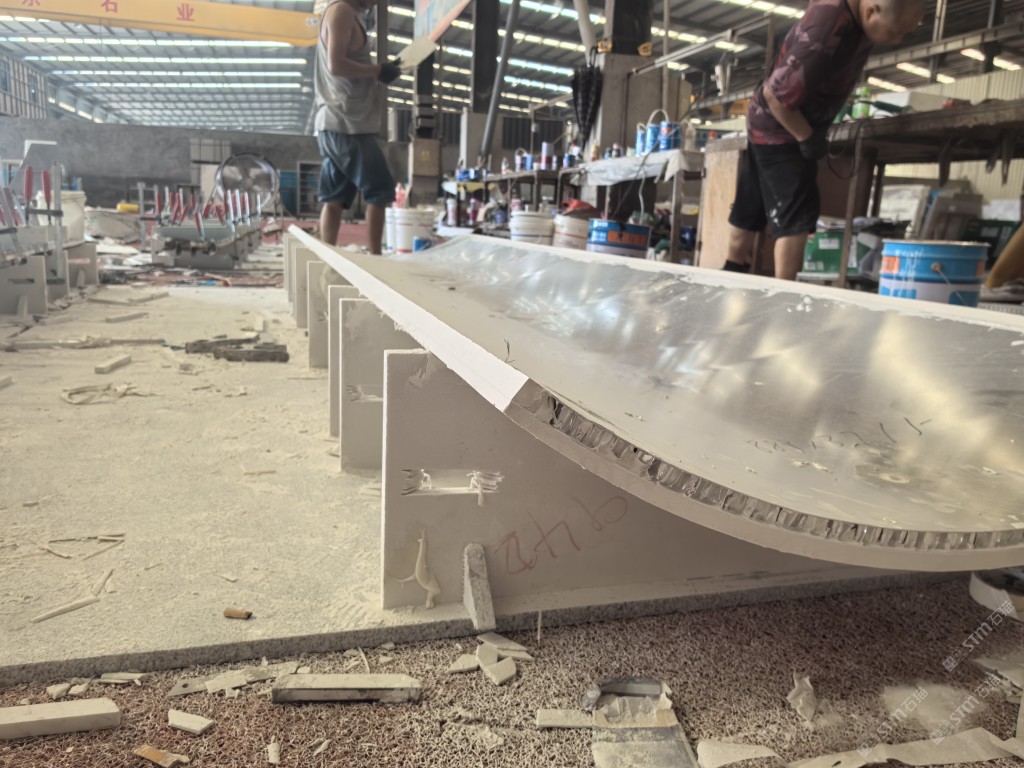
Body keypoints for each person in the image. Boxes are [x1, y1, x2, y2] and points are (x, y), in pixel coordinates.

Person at [722, 0, 925, 280]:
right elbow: (776, 98)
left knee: (750, 206)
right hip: (782, 130)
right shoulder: (826, 33)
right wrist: (806, 136)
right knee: (795, 219)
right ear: (871, 12)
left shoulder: (853, 16)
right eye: (895, 31)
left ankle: (730, 275)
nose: (897, 40)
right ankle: (783, 296)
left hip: (767, 125)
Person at [314, 0, 402, 254]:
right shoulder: (341, 11)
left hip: (335, 123)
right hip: (348, 125)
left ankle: (326, 257)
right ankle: (375, 258)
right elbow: (336, 65)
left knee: (334, 198)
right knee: (380, 191)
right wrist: (377, 71)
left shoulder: (345, 13)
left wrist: (381, 70)